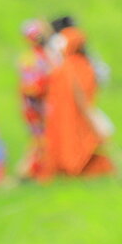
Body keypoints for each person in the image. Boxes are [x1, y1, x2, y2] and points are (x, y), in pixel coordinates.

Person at [33, 25, 114, 180]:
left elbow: (75, 95)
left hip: (68, 114)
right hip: (76, 112)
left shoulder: (67, 67)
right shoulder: (86, 66)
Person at [17, 19, 51, 171]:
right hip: (36, 106)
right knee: (39, 139)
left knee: (42, 138)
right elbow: (29, 87)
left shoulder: (43, 56)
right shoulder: (31, 58)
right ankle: (28, 170)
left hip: (40, 104)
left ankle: (36, 168)